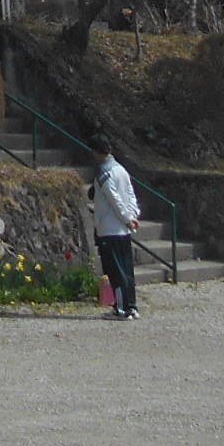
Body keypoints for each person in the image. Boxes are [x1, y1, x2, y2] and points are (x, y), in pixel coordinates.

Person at [88, 137, 141, 320]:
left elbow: (115, 200)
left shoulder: (104, 173)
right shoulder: (121, 170)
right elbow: (130, 195)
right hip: (123, 231)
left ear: (96, 152)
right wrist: (133, 216)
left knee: (115, 271)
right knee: (127, 270)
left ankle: (120, 308)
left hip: (110, 229)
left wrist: (127, 219)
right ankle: (131, 305)